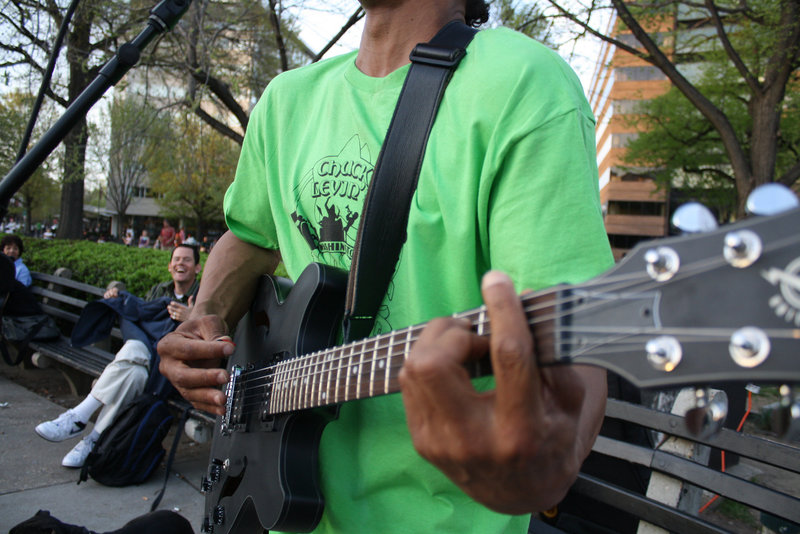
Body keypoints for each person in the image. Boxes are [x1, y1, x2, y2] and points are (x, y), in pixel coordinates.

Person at [157, 1, 613, 532]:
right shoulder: (286, 100)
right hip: (267, 504)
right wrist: (204, 313)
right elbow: (248, 234)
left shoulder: (525, 84)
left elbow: (575, 339)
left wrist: (550, 459)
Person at [34, 244, 202, 468]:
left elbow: (217, 335)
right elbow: (141, 321)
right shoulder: (158, 291)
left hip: (169, 369)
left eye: (187, 260)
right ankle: (92, 440)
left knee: (133, 357)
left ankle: (78, 417)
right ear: (169, 266)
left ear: (197, 267)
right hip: (144, 360)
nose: (181, 263)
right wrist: (117, 299)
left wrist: (192, 317)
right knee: (133, 372)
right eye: (177, 259)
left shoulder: (204, 295)